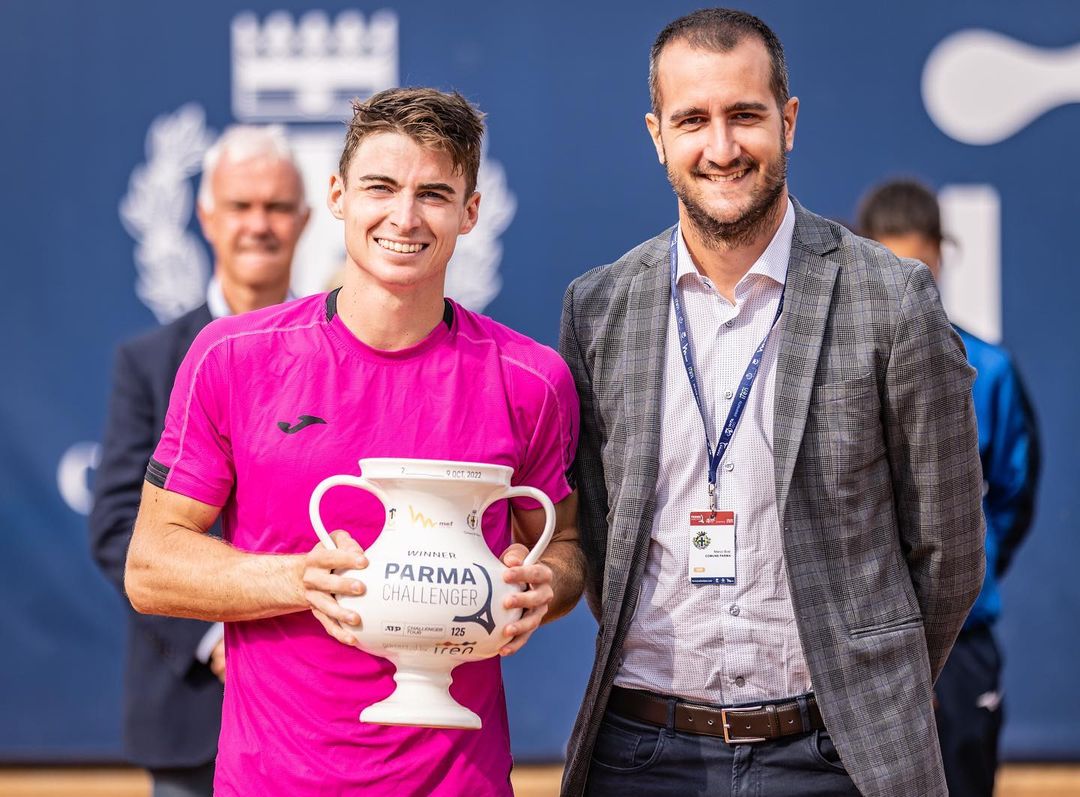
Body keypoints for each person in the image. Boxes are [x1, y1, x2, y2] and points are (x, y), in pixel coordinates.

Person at [557, 9, 985, 797]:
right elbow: (600, 534)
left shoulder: (892, 298)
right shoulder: (599, 308)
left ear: (787, 121)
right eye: (693, 120)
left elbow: (949, 548)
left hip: (836, 757)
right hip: (642, 753)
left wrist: (868, 688)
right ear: (657, 135)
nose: (721, 147)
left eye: (745, 115)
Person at [123, 87, 583, 796]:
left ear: (471, 212)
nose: (405, 216)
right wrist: (300, 579)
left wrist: (544, 584)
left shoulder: (531, 379)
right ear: (338, 195)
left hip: (459, 782)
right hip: (273, 781)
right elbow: (151, 566)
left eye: (434, 193)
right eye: (380, 187)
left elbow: (568, 546)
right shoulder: (231, 357)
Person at [90, 124, 310, 797]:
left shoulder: (340, 353)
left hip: (315, 703)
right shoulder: (147, 362)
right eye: (241, 205)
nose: (258, 224)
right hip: (192, 715)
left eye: (276, 207)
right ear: (206, 216)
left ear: (305, 219)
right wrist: (217, 637)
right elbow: (120, 527)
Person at [857, 178, 1040, 797]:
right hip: (862, 640)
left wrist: (965, 570)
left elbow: (1012, 494)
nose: (905, 287)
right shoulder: (834, 375)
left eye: (920, 269)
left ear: (941, 257)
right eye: (890, 268)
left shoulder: (988, 370)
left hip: (964, 637)